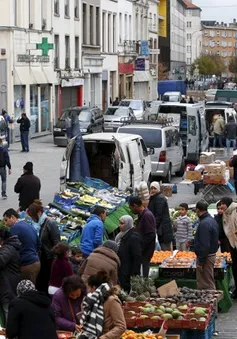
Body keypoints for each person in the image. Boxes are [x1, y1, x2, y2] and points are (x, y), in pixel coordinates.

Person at [80, 271, 126, 339]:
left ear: (94, 288)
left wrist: (103, 337)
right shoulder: (91, 301)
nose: (88, 290)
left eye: (89, 287)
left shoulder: (112, 301)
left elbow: (121, 326)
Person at [27, 200, 60, 293]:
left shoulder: (50, 223)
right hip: (38, 257)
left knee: (45, 281)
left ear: (39, 212)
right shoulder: (35, 224)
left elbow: (56, 243)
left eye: (33, 217)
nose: (32, 219)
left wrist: (55, 260)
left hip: (48, 258)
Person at [3, 208, 40, 284]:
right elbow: (38, 244)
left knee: (25, 292)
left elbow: (10, 248)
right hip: (36, 262)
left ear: (13, 217)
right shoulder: (28, 225)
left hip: (27, 265)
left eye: (6, 220)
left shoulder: (14, 229)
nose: (5, 223)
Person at [194, 201, 219, 290]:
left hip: (206, 257)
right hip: (210, 255)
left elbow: (205, 245)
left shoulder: (204, 223)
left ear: (197, 210)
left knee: (206, 284)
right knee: (208, 281)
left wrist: (201, 262)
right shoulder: (211, 220)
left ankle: (211, 302)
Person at [129, 197, 156, 277]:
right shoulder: (142, 214)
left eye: (131, 208)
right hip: (143, 250)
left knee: (144, 270)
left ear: (135, 206)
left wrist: (141, 246)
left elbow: (151, 235)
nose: (131, 210)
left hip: (146, 251)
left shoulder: (147, 215)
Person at [115, 215, 142, 292]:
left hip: (127, 269)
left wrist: (134, 273)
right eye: (119, 223)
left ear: (128, 224)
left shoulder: (133, 237)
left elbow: (137, 256)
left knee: (125, 288)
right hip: (121, 267)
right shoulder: (120, 235)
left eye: (122, 223)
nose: (120, 225)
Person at [0, 229, 21, 323]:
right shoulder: (10, 247)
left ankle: (10, 333)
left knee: (8, 309)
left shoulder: (8, 248)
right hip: (8, 283)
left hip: (7, 285)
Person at [148, 182, 173, 250]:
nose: (153, 190)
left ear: (158, 189)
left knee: (164, 251)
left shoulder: (160, 199)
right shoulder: (154, 197)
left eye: (155, 188)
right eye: (151, 188)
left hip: (163, 230)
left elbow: (158, 215)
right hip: (161, 229)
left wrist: (154, 227)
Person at [220, 197, 237, 298]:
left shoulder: (235, 210)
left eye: (223, 204)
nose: (221, 206)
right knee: (235, 267)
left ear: (227, 204)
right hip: (232, 243)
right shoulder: (226, 213)